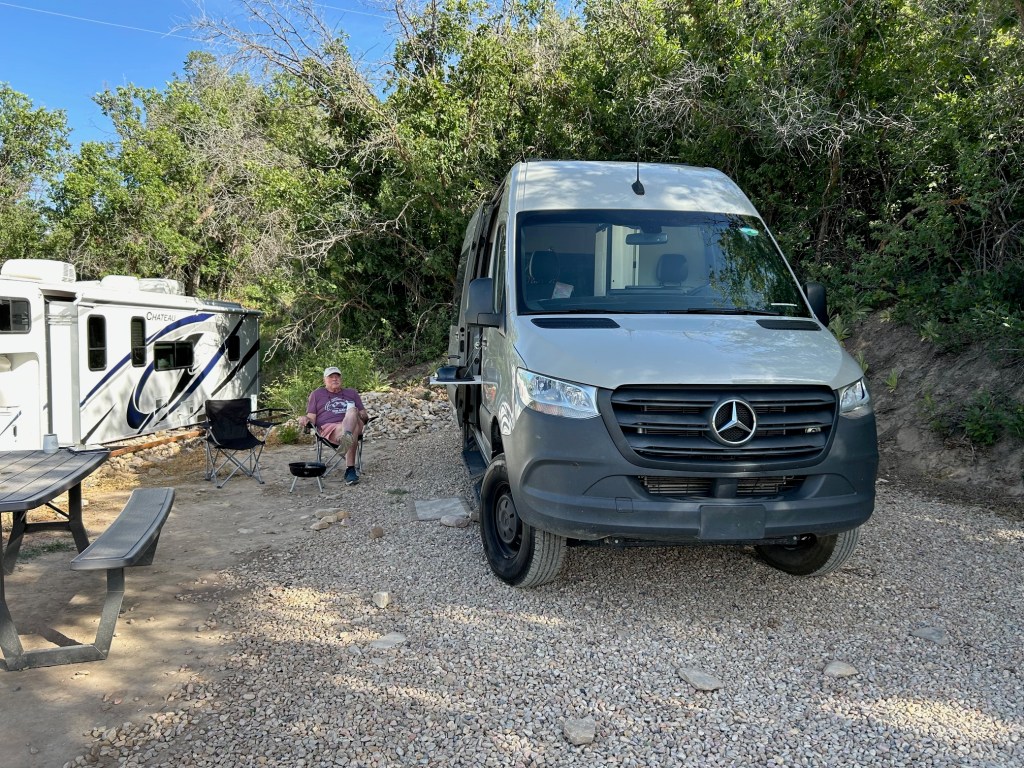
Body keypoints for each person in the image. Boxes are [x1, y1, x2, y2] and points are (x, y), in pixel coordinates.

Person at [300, 366, 369, 485]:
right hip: (331, 428)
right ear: (324, 380)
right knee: (353, 429)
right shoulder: (317, 394)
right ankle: (350, 469)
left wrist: (358, 414)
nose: (335, 379)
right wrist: (305, 418)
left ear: (341, 379)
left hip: (352, 424)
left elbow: (365, 416)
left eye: (337, 376)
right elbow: (311, 418)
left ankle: (346, 439)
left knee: (352, 411)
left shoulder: (351, 393)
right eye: (331, 377)